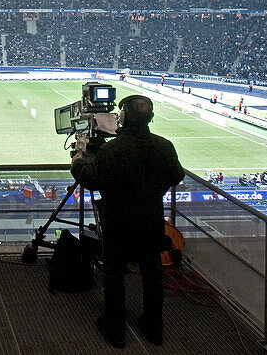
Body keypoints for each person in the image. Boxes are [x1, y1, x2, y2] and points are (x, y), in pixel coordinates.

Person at [70, 94, 184, 348]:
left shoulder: (113, 149)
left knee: (114, 274)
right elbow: (176, 176)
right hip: (151, 219)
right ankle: (154, 329)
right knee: (152, 273)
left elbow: (90, 179)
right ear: (150, 118)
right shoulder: (164, 146)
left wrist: (77, 162)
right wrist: (155, 189)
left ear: (122, 118)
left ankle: (115, 329)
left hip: (118, 222)